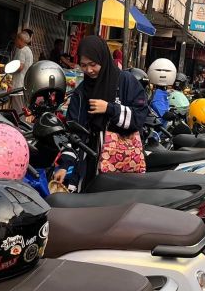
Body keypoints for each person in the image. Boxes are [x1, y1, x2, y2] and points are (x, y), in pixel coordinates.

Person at [63, 35, 149, 182]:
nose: (89, 70)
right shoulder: (81, 92)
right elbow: (73, 130)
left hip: (122, 166)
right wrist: (65, 165)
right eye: (84, 65)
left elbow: (139, 117)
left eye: (93, 64)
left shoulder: (126, 81)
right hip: (89, 163)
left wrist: (110, 108)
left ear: (103, 59)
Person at [9, 30, 34, 113]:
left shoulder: (22, 50)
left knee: (18, 110)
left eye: (16, 39)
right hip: (24, 85)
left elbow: (20, 66)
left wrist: (7, 69)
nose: (15, 41)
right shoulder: (28, 50)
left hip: (18, 85)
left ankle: (18, 125)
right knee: (22, 109)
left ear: (20, 40)